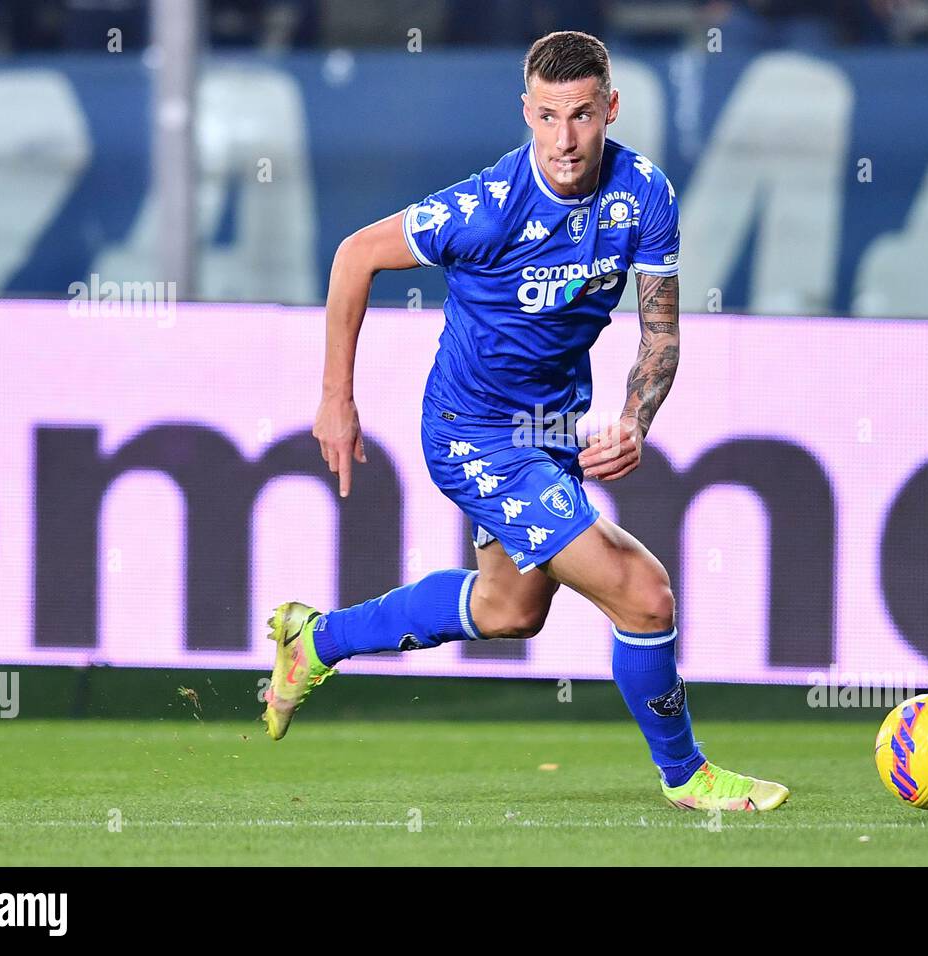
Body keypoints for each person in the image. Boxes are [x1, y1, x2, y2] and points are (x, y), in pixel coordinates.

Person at [262, 30, 788, 812]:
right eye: (546, 116)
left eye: (580, 115)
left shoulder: (644, 195)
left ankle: (315, 640)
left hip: (551, 431)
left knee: (510, 610)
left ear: (610, 107)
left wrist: (635, 417)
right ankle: (688, 775)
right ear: (525, 112)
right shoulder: (483, 208)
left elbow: (662, 334)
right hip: (472, 431)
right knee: (644, 594)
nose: (564, 140)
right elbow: (353, 256)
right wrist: (336, 398)